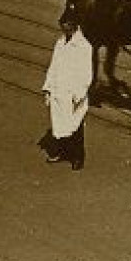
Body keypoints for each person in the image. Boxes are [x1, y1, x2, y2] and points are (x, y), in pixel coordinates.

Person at [40, 13, 93, 171]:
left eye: (67, 27)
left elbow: (86, 73)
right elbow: (53, 66)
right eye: (62, 27)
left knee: (75, 127)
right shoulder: (60, 43)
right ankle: (61, 152)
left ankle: (78, 157)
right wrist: (48, 88)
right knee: (59, 124)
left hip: (73, 93)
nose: (64, 31)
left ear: (74, 26)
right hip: (59, 90)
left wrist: (79, 94)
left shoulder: (84, 47)